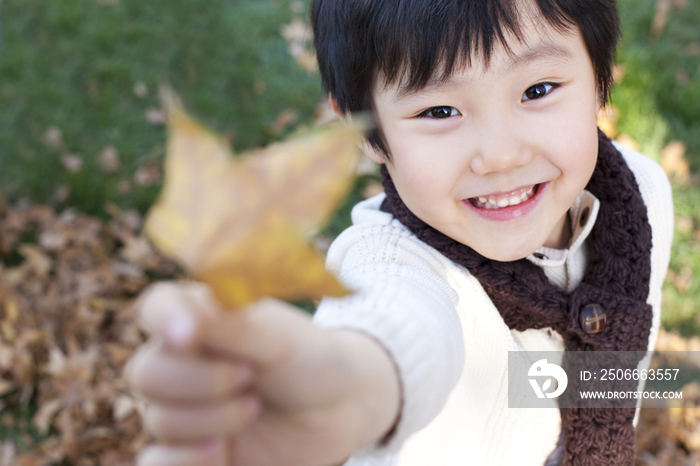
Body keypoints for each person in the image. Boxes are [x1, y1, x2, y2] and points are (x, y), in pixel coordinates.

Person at [126, 0, 674, 465]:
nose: (501, 154)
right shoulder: (390, 266)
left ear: (601, 77)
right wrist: (342, 388)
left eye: (538, 90)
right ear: (364, 131)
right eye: (439, 110)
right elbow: (393, 329)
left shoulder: (641, 195)